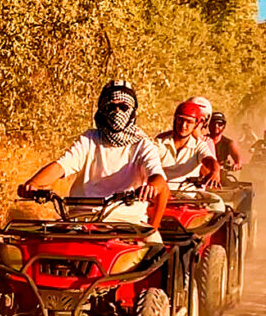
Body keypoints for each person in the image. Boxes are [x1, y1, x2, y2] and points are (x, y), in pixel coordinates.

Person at [18, 79, 169, 239]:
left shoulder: (142, 144)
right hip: (80, 218)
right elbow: (62, 165)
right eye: (111, 106)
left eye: (123, 107)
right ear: (102, 109)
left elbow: (157, 176)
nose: (117, 112)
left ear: (132, 111)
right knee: (37, 247)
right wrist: (33, 184)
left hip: (127, 221)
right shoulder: (90, 139)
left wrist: (152, 187)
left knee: (155, 249)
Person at [154, 101, 222, 188]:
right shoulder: (160, 143)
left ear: (196, 124)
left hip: (189, 195)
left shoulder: (199, 145)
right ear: (175, 120)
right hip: (161, 194)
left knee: (218, 201)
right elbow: (149, 162)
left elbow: (208, 159)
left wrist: (215, 170)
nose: (183, 125)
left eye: (189, 122)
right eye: (180, 120)